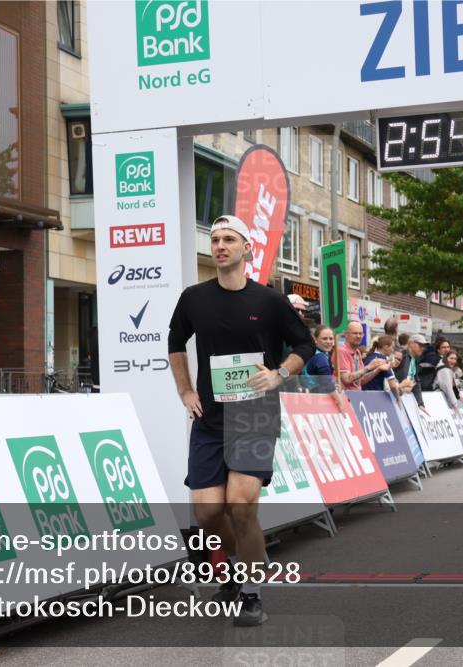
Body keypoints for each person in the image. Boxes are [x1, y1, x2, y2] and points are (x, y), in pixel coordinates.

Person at [167, 215, 314, 627]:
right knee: (208, 512)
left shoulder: (269, 301)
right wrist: (184, 391)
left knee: (241, 504)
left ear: (246, 248)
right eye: (214, 239)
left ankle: (252, 595)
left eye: (229, 239)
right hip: (210, 418)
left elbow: (304, 343)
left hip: (254, 413)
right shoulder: (193, 298)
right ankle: (233, 571)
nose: (220, 246)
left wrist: (279, 373)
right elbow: (175, 341)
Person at [338, 321, 389, 391]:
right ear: (346, 334)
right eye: (355, 333)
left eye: (360, 333)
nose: (358, 336)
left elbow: (361, 380)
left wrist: (378, 369)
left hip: (356, 396)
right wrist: (368, 367)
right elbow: (346, 379)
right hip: (346, 397)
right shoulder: (341, 351)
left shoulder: (357, 352)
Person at [399, 334, 429, 410]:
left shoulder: (414, 360)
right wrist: (400, 388)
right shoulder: (401, 356)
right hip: (396, 399)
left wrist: (420, 403)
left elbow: (416, 382)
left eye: (424, 346)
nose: (423, 348)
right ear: (411, 343)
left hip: (404, 400)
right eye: (420, 345)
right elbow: (390, 376)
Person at [302, 325, 335, 393]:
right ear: (315, 340)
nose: (328, 342)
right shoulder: (320, 357)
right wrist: (340, 402)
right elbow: (328, 385)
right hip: (316, 398)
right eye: (324, 339)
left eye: (331, 338)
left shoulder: (320, 354)